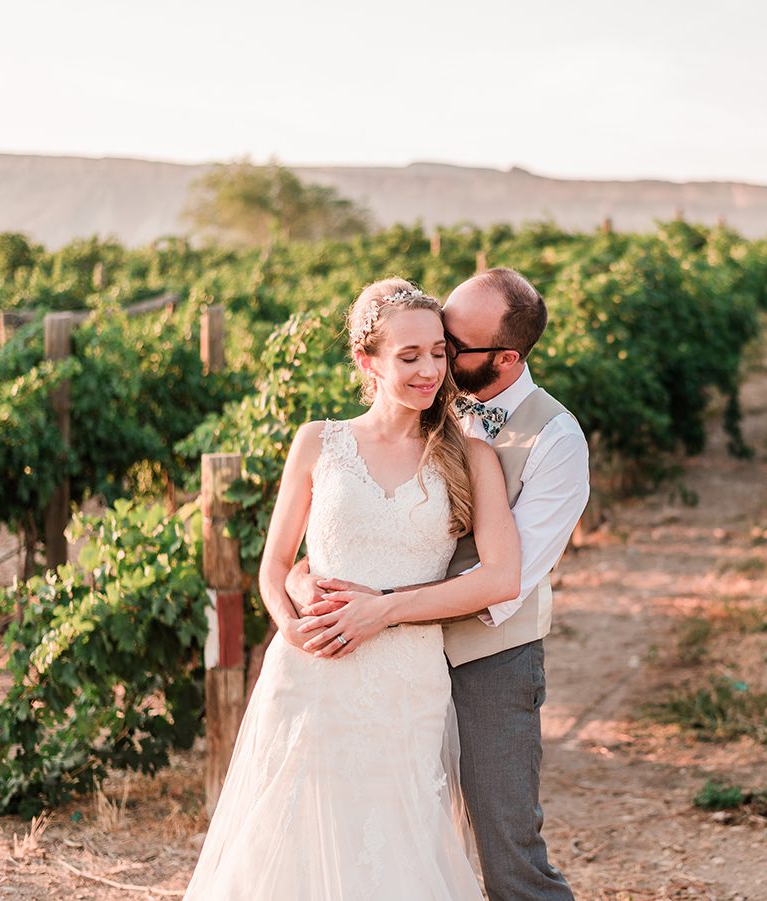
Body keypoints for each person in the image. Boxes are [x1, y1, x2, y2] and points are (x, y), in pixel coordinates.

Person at [184, 278, 521, 900]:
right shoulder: (319, 441)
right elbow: (275, 565)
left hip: (405, 681)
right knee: (294, 841)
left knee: (394, 846)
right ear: (367, 361)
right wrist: (293, 626)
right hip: (312, 674)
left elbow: (502, 577)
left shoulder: (469, 454)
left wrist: (382, 614)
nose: (430, 370)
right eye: (409, 355)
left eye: (439, 353)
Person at [290, 268, 588, 900]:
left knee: (508, 855)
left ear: (503, 358)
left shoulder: (555, 440)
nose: (437, 355)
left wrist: (384, 608)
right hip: (383, 659)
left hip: (489, 662)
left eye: (451, 345)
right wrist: (305, 573)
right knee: (402, 839)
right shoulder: (423, 393)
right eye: (430, 339)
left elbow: (501, 585)